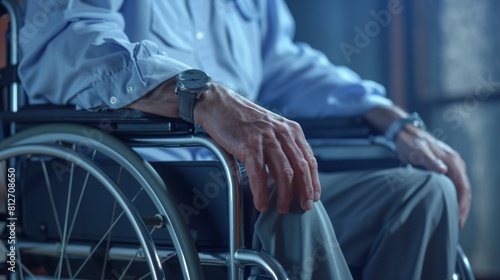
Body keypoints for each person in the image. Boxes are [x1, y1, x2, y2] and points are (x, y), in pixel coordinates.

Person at [18, 0, 471, 279]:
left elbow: (281, 63)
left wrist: (390, 118)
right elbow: (66, 44)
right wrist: (200, 96)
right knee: (282, 191)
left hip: (237, 183)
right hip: (138, 186)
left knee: (424, 193)